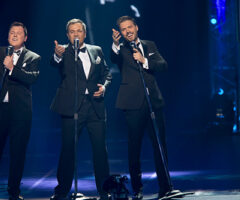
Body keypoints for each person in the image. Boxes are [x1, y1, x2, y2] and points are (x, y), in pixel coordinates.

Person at [111, 16, 180, 200]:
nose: (127, 31)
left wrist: (144, 60)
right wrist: (115, 44)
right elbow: (114, 57)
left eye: (129, 27)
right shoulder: (121, 49)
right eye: (123, 29)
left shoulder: (149, 45)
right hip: (132, 104)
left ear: (136, 27)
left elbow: (163, 65)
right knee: (134, 148)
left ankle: (165, 187)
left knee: (159, 145)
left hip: (153, 103)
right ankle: (137, 188)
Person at [0, 21, 40, 200]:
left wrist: (12, 69)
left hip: (20, 113)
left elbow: (32, 79)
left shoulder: (33, 57)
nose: (14, 35)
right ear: (8, 35)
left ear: (25, 37)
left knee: (17, 153)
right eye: (12, 32)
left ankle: (14, 191)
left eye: (18, 33)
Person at [49, 18, 111, 200]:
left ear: (84, 33)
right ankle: (61, 191)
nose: (76, 34)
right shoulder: (62, 51)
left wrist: (104, 87)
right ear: (67, 35)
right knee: (68, 149)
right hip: (72, 106)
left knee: (100, 150)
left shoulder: (96, 50)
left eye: (79, 31)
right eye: (72, 31)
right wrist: (57, 54)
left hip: (95, 107)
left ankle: (104, 190)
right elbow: (55, 62)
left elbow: (107, 73)